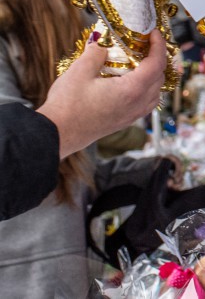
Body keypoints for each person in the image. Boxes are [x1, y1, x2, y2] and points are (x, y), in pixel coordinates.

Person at [0, 0, 177, 295]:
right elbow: (11, 160)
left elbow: (62, 171)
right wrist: (73, 122)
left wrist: (144, 172)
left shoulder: (58, 41)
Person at [0, 31, 167, 221]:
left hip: (77, 237)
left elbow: (78, 177)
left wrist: (150, 171)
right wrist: (65, 122)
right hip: (41, 244)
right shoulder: (8, 48)